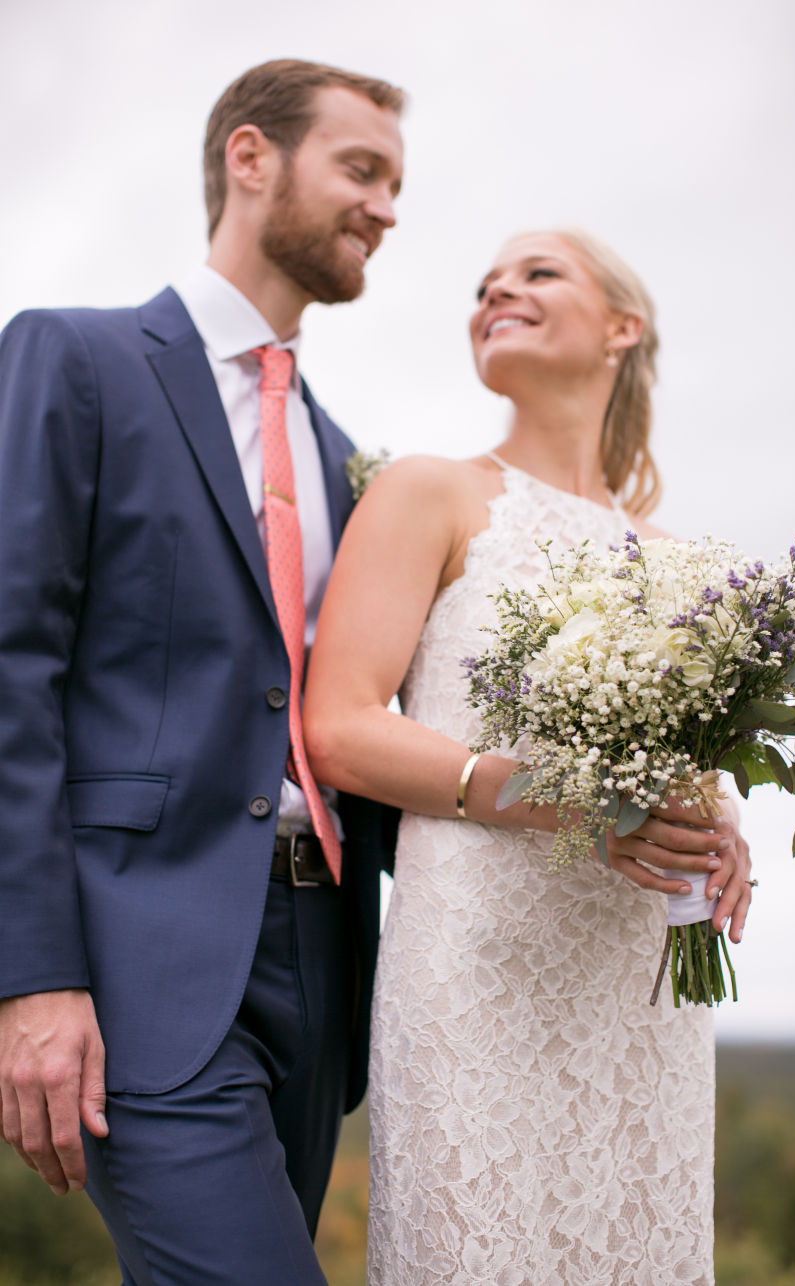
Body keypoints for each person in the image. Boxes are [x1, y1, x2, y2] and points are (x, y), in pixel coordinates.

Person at [0, 60, 405, 1281]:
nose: (387, 207)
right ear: (250, 157)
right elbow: (11, 668)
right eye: (362, 169)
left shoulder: (345, 461)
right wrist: (33, 977)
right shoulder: (74, 361)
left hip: (324, 955)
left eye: (397, 184)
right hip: (139, 958)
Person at [302, 229, 753, 1283]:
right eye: (484, 285)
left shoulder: (682, 560)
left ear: (620, 328)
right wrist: (569, 805)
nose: (498, 289)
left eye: (537, 272)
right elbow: (341, 726)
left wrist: (720, 834)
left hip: (640, 985)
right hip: (479, 962)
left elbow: (686, 774)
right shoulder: (431, 492)